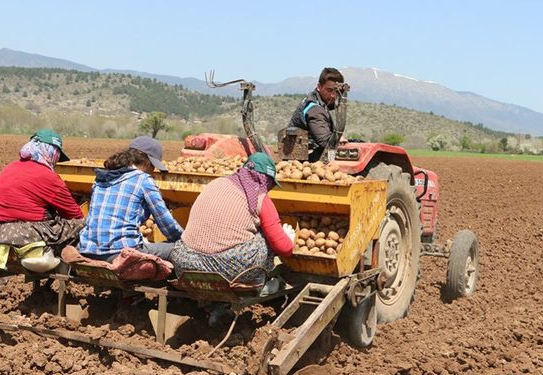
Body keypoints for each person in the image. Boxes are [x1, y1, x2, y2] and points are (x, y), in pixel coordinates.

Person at [170, 152, 293, 288]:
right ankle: (258, 284)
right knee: (265, 238)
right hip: (227, 269)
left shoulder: (215, 183)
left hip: (185, 263)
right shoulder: (260, 198)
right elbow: (284, 248)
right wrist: (288, 237)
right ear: (266, 180)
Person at [0, 129, 85, 268]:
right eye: (57, 155)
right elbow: (75, 214)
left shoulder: (8, 168)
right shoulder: (49, 177)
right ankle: (62, 259)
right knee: (81, 224)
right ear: (51, 152)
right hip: (25, 235)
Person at [78, 136, 183, 262]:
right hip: (120, 252)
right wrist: (186, 242)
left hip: (87, 250)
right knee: (178, 250)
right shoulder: (143, 180)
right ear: (147, 162)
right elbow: (167, 224)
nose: (153, 171)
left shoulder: (102, 177)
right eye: (153, 166)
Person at [288, 67, 346, 162]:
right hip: (307, 161)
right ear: (319, 86)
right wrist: (338, 139)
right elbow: (325, 141)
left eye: (337, 92)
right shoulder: (315, 109)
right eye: (329, 90)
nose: (333, 95)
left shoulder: (316, 99)